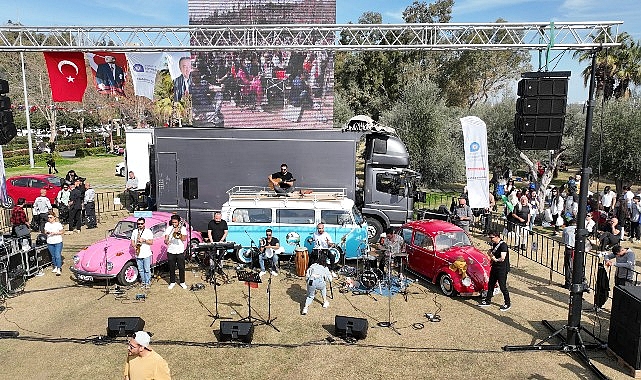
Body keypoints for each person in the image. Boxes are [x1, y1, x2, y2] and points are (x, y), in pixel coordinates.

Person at [478, 230, 511, 311]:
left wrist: (494, 258)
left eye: (492, 237)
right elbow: (493, 251)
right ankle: (487, 301)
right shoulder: (494, 244)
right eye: (489, 237)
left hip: (502, 269)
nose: (490, 239)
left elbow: (502, 258)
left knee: (503, 287)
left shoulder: (503, 245)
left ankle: (507, 303)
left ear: (497, 236)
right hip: (495, 267)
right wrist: (490, 252)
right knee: (491, 284)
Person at [164, 214, 187, 290]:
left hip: (180, 251)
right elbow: (165, 239)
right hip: (171, 251)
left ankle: (182, 282)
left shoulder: (183, 229)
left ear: (179, 222)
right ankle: (172, 282)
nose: (174, 224)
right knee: (171, 267)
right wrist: (166, 241)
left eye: (175, 222)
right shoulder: (169, 229)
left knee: (181, 267)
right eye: (173, 222)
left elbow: (184, 239)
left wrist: (179, 234)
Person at [131, 217, 154, 289]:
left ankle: (148, 282)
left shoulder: (148, 231)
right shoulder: (135, 231)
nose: (140, 225)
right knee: (140, 269)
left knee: (147, 269)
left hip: (146, 254)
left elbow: (151, 242)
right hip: (138, 253)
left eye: (141, 224)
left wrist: (143, 240)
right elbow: (132, 240)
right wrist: (134, 246)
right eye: (138, 224)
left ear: (144, 224)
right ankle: (143, 282)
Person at [207, 211, 228, 278]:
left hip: (222, 241)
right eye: (216, 218)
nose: (218, 220)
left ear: (221, 217)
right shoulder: (211, 223)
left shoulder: (224, 222)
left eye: (219, 219)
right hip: (213, 241)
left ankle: (220, 269)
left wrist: (221, 240)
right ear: (214, 217)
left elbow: (226, 232)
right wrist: (212, 241)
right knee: (212, 256)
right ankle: (212, 269)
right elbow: (209, 233)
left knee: (221, 256)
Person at [44, 211, 64, 276]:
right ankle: (55, 266)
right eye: (48, 217)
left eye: (51, 217)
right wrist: (47, 232)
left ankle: (59, 268)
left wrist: (55, 233)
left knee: (57, 255)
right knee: (53, 256)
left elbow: (62, 231)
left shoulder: (58, 224)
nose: (49, 219)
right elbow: (45, 231)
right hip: (50, 242)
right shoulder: (47, 224)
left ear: (54, 218)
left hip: (58, 242)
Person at [562, 219, 576, 289]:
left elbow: (563, 240)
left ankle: (568, 283)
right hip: (577, 250)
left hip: (569, 249)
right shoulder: (578, 230)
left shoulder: (566, 229)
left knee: (568, 266)